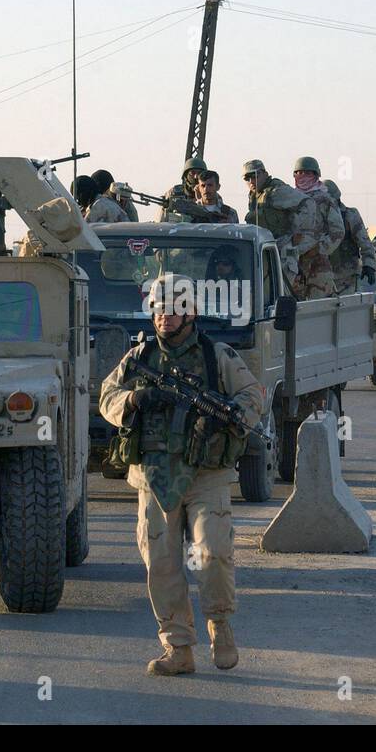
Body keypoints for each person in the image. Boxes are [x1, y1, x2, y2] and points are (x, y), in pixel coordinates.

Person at [98, 273, 265, 675]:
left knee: (213, 554)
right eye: (158, 309)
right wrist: (136, 397)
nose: (164, 318)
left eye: (173, 310)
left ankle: (220, 627)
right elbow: (106, 397)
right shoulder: (138, 358)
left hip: (205, 475)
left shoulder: (217, 356)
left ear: (191, 311)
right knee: (161, 563)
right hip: (153, 477)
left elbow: (252, 395)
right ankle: (178, 648)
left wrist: (229, 418)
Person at [244, 159, 309, 288]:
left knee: (282, 291)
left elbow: (307, 204)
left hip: (283, 249)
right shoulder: (254, 195)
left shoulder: (277, 191)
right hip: (266, 249)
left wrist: (297, 231)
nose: (251, 181)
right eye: (248, 178)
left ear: (265, 174)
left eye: (255, 176)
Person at [290, 156, 345, 299]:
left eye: (307, 173)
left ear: (316, 175)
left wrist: (318, 249)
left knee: (320, 309)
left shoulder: (325, 199)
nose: (302, 177)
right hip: (293, 264)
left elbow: (338, 231)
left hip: (318, 264)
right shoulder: (289, 199)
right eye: (299, 173)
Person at [326, 179, 376, 294]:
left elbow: (365, 243)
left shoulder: (350, 215)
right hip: (321, 278)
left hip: (347, 278)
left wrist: (369, 265)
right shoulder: (316, 218)